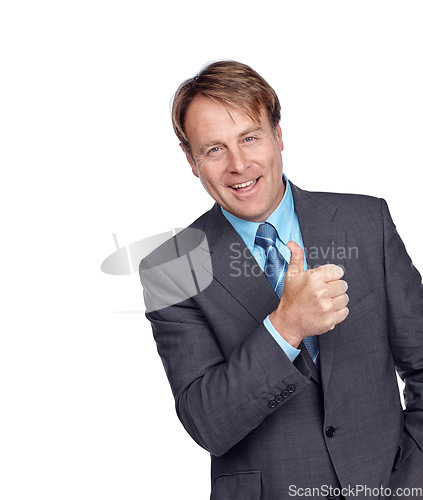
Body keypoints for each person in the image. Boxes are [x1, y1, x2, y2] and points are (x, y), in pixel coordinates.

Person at [139, 61, 423, 499]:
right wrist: (286, 327)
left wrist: (410, 480)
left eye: (250, 137)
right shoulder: (172, 270)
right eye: (214, 149)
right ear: (192, 161)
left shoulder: (367, 223)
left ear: (278, 135)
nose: (238, 164)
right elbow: (207, 423)